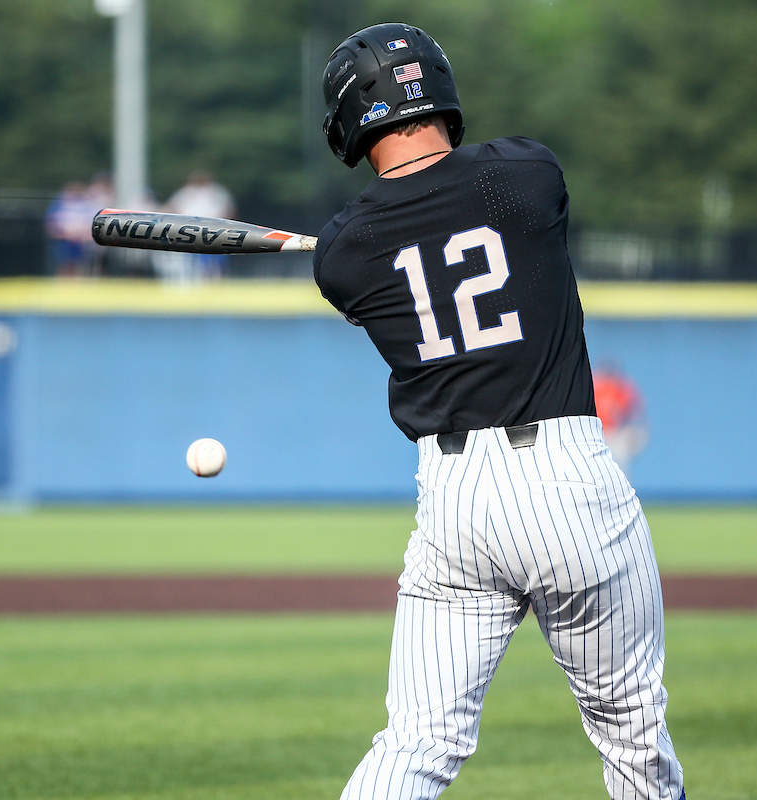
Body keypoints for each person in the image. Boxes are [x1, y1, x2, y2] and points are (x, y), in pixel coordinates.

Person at [313, 23, 685, 800]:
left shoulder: (343, 253)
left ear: (348, 123)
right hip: (565, 479)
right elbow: (468, 204)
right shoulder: (524, 173)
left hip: (454, 505)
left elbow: (382, 244)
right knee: (631, 731)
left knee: (417, 742)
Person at [156, 170, 237, 282]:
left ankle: (215, 278)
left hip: (214, 229)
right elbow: (172, 207)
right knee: (193, 259)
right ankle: (197, 279)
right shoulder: (186, 192)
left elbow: (228, 210)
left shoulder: (216, 192)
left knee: (215, 258)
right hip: (191, 230)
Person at [592, 361, 650, 473]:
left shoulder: (622, 388)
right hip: (597, 435)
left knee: (618, 469)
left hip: (617, 435)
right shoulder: (594, 386)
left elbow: (637, 416)